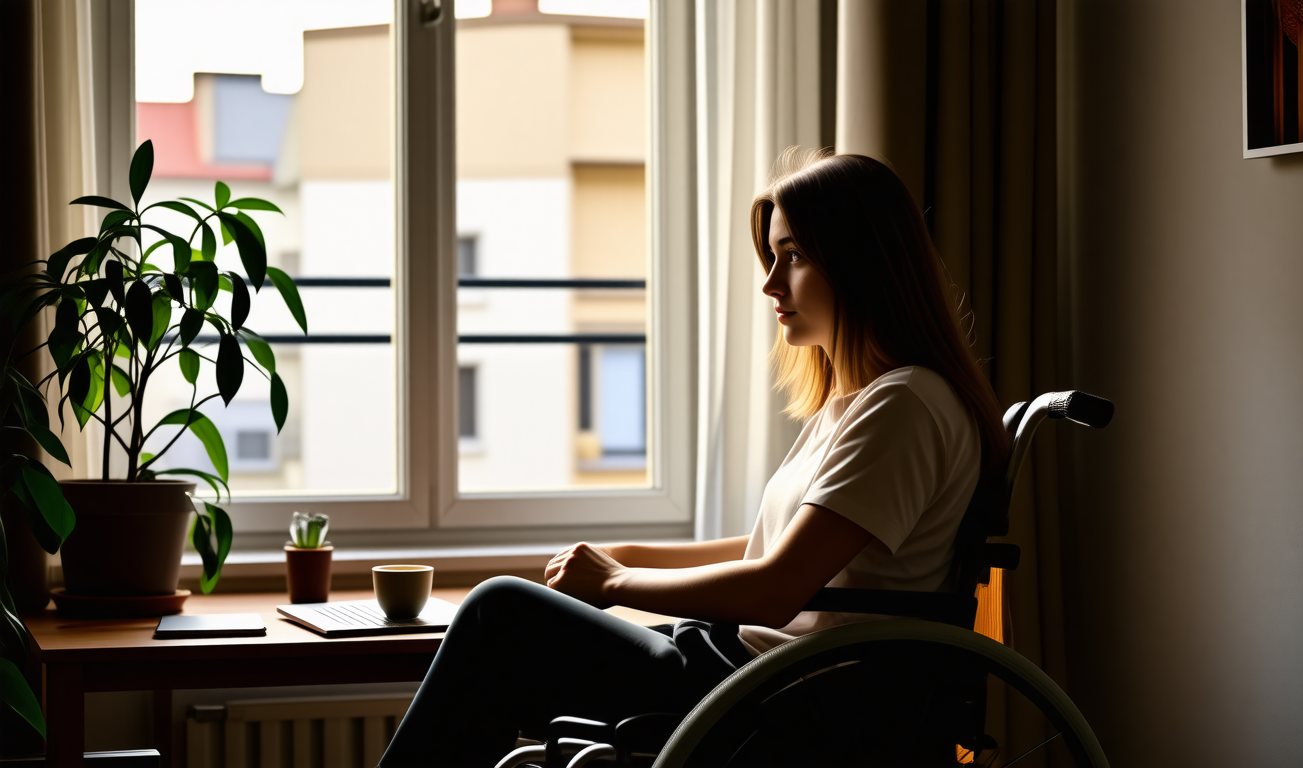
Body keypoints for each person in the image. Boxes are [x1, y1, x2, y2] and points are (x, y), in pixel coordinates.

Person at [377, 149, 1010, 767]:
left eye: (791, 256)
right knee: (511, 646)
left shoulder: (907, 406)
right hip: (751, 672)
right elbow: (773, 552)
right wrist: (630, 556)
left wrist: (615, 582)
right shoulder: (859, 403)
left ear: (858, 262)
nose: (770, 283)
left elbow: (774, 589)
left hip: (794, 701)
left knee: (501, 614)